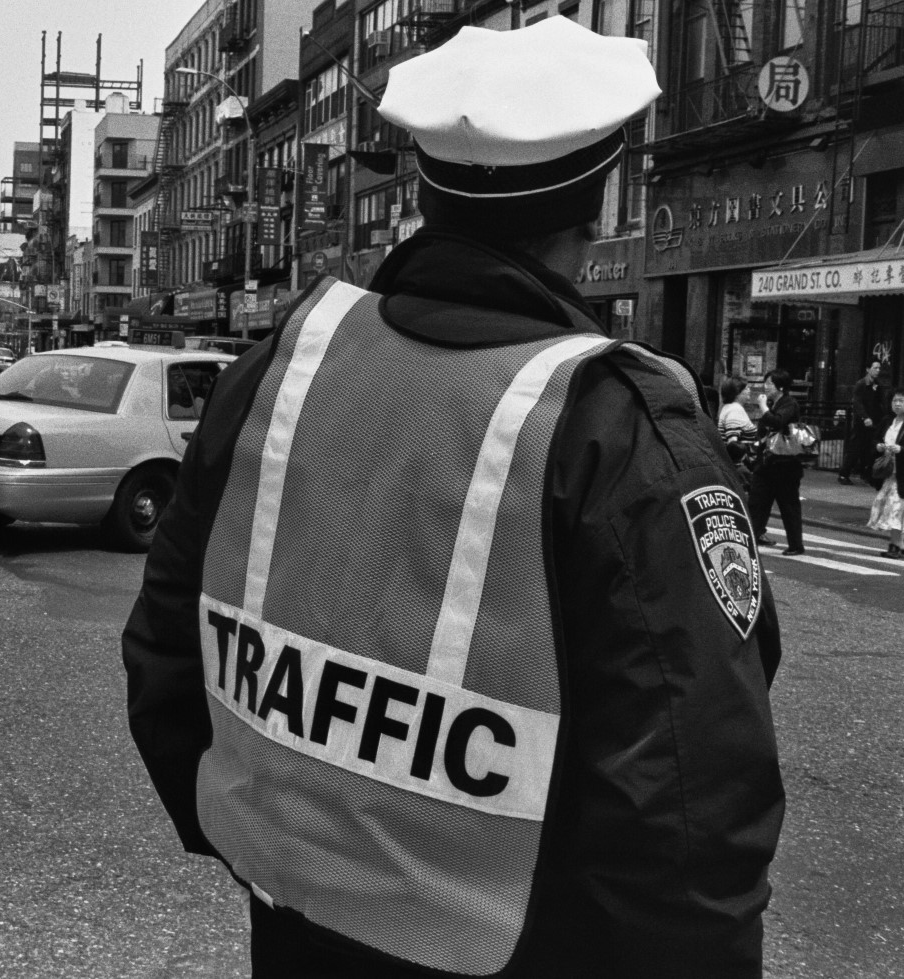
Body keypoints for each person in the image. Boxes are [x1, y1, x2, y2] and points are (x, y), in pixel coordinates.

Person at [122, 18, 784, 979]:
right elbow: (690, 794)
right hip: (517, 951)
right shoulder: (615, 430)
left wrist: (258, 840)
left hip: (296, 924)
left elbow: (164, 652)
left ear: (425, 193)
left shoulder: (281, 372)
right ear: (595, 208)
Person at [748, 368, 807, 555]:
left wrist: (764, 408)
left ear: (780, 386)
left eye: (770, 383)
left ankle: (796, 545)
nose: (766, 387)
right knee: (757, 502)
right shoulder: (775, 403)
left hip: (785, 466)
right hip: (767, 464)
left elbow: (777, 422)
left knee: (788, 506)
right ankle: (751, 537)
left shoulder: (789, 404)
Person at [868, 390, 904, 557]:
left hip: (901, 475)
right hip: (890, 473)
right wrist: (879, 447)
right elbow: (875, 439)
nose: (897, 404)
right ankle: (896, 546)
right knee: (890, 507)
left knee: (895, 508)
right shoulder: (888, 420)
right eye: (895, 400)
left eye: (901, 401)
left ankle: (896, 546)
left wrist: (901, 449)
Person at [838, 360, 884, 484]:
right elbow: (857, 402)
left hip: (873, 421)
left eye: (879, 368)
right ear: (868, 369)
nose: (878, 370)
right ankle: (844, 474)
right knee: (855, 448)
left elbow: (879, 403)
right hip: (862, 422)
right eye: (875, 368)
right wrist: (864, 417)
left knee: (868, 448)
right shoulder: (861, 384)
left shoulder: (877, 385)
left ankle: (866, 473)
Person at [718, 375, 761, 485]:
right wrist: (742, 469)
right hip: (739, 469)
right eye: (746, 388)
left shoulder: (729, 407)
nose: (749, 391)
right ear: (737, 392)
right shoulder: (735, 410)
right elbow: (733, 442)